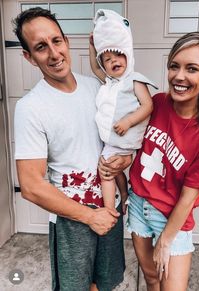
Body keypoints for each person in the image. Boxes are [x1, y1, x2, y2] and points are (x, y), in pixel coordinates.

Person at [13, 7, 131, 291]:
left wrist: (125, 158)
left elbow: (118, 140)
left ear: (66, 41)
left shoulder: (98, 89)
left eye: (56, 41)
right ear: (29, 57)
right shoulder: (31, 108)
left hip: (110, 206)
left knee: (105, 283)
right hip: (73, 221)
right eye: (41, 47)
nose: (53, 53)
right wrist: (90, 216)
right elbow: (30, 186)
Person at [126, 31, 199, 291]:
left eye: (192, 68)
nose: (179, 76)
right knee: (151, 279)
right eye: (174, 66)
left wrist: (165, 240)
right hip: (138, 204)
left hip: (171, 218)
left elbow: (189, 197)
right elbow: (128, 140)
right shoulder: (157, 103)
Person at [89, 9, 157, 211]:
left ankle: (110, 209)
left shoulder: (134, 80)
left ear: (128, 55)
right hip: (115, 138)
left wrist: (128, 121)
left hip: (125, 136)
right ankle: (124, 192)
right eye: (107, 60)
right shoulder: (110, 82)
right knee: (115, 168)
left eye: (118, 55)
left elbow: (148, 106)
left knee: (106, 171)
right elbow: (94, 67)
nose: (114, 61)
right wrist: (93, 47)